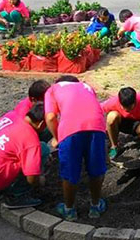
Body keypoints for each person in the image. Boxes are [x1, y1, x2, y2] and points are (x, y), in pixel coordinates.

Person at [44, 76, 108, 221]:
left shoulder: (53, 89)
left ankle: (69, 210)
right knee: (96, 169)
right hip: (96, 126)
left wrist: (57, 137)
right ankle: (95, 206)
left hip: (70, 129)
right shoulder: (86, 86)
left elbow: (50, 117)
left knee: (70, 171)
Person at [0, 104, 49, 209]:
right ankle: (16, 197)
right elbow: (31, 178)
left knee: (9, 155)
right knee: (43, 150)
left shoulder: (12, 116)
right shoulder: (31, 141)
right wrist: (40, 179)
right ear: (41, 123)